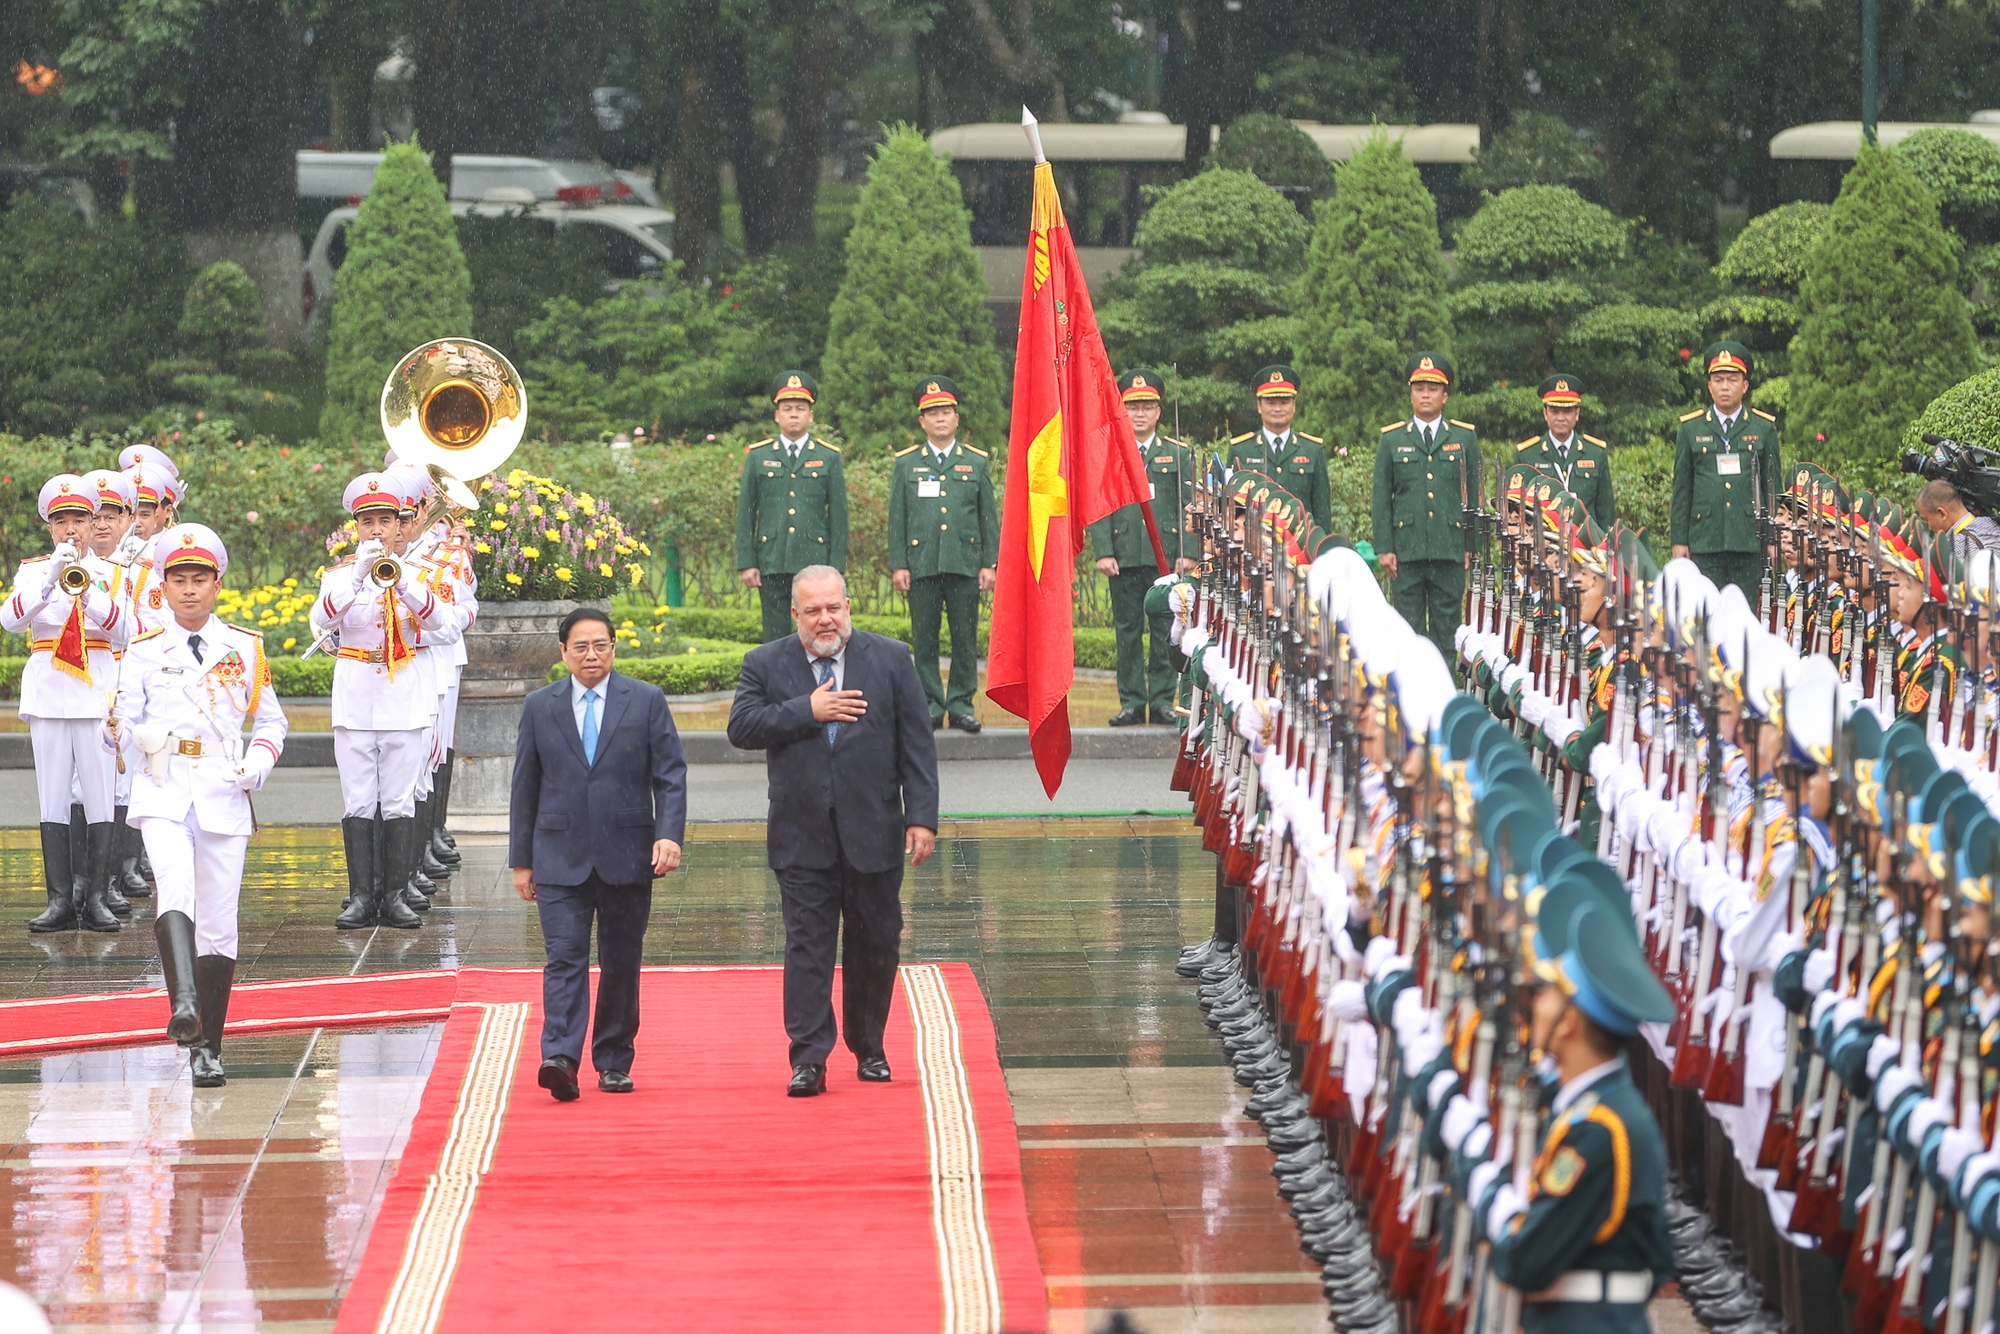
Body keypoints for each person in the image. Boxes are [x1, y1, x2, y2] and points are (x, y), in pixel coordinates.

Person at [726, 565, 939, 1096]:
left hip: (875, 829)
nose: (826, 619)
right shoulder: (765, 662)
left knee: (876, 943)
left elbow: (917, 744)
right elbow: (741, 728)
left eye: (834, 607)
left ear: (849, 606)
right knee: (808, 947)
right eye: (814, 610)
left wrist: (922, 817)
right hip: (801, 835)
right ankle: (809, 1060)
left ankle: (870, 1048)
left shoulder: (890, 658)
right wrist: (808, 709)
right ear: (794, 614)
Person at [1448, 898, 1677, 1334]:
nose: (1536, 1002)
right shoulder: (1591, 1109)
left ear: (1570, 1022)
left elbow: (1524, 1258)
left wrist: (1487, 1186)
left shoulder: (1599, 1128)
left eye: (1548, 991)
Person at [112, 523, 286, 1087]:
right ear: (161, 586)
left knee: (219, 922)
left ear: (217, 584)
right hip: (162, 785)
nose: (189, 589)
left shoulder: (243, 646)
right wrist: (123, 735)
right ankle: (183, 1004)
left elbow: (272, 722)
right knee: (174, 885)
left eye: (200, 579)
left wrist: (257, 764)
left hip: (222, 787)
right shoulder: (141, 651)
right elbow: (120, 725)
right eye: (178, 579)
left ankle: (208, 1045)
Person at [510, 607, 687, 1101]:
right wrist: (521, 860)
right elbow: (525, 786)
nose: (593, 655)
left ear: (613, 647)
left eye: (602, 645)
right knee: (563, 958)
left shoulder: (646, 701)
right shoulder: (540, 706)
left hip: (629, 855)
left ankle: (613, 1060)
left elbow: (670, 775)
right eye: (582, 647)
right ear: (563, 652)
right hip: (558, 855)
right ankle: (560, 1059)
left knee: (621, 961)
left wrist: (669, 835)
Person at [310, 472, 454, 931]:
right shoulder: (338, 576)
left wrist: (406, 587)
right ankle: (360, 895)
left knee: (397, 800)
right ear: (356, 527)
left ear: (399, 526)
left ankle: (394, 895)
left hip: (402, 696)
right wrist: (356, 577)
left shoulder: (421, 575)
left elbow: (447, 628)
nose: (376, 530)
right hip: (354, 695)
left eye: (384, 521)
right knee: (357, 800)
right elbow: (321, 619)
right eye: (367, 521)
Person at [5, 476, 129, 933]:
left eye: (79, 519)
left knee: (100, 799)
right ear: (50, 528)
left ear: (92, 521)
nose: (71, 530)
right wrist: (48, 580)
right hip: (49, 694)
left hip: (97, 694)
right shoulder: (32, 570)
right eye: (61, 522)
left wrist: (88, 590)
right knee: (52, 800)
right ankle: (59, 900)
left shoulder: (113, 572)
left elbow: (125, 631)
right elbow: (10, 621)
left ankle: (95, 897)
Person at [887, 376, 997, 732]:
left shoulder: (976, 463)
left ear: (956, 418)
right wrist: (899, 564)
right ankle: (931, 704)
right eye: (932, 413)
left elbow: (987, 517)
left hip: (964, 564)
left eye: (946, 412)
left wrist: (988, 563)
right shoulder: (907, 464)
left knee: (965, 639)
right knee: (925, 639)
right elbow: (897, 518)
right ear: (922, 422)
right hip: (922, 566)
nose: (940, 419)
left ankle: (962, 704)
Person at [1089, 369, 1198, 726]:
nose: (1140, 413)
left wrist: (1189, 548)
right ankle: (1133, 701)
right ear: (1122, 408)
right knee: (1127, 630)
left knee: (1167, 629)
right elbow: (1099, 500)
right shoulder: (1109, 451)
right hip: (1123, 555)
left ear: (1158, 412)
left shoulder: (1177, 455)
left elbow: (1190, 504)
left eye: (1147, 406)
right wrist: (1103, 549)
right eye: (1132, 406)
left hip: (1166, 556)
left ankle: (1163, 698)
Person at [1372, 352, 1483, 668]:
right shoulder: (1392, 440)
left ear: (1444, 396)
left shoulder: (1464, 438)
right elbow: (1381, 498)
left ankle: (1445, 699)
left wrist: (1472, 546)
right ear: (1410, 393)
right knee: (1408, 630)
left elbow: (1473, 495)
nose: (1425, 394)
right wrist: (1385, 548)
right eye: (1419, 388)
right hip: (1405, 553)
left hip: (1450, 549)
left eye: (1433, 389)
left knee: (1447, 630)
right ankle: (1411, 701)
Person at [736, 371, 849, 643]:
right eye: (787, 409)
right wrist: (747, 562)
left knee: (816, 630)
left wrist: (836, 566)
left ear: (811, 415)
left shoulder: (828, 457)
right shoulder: (759, 456)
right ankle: (778, 687)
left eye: (801, 409)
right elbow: (746, 513)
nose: (794, 415)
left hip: (815, 559)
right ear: (777, 416)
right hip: (772, 558)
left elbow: (838, 517)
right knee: (774, 635)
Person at [1670, 341, 1781, 597]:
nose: (1724, 387)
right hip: (1705, 541)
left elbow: (1772, 488)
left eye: (1732, 380)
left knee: (1750, 615)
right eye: (1718, 380)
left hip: (1750, 540)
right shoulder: (1691, 429)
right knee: (1704, 615)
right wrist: (1679, 541)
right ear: (1709, 386)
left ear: (1745, 385)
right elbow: (1682, 489)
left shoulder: (1763, 428)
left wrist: (1774, 537)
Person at [1222, 365, 1331, 530]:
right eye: (1270, 402)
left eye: (1285, 402)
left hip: (1300, 545)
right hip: (1254, 543)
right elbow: (1231, 507)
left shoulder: (1312, 450)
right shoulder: (1241, 450)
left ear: (1294, 406)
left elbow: (1322, 510)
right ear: (1259, 406)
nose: (1278, 408)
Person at [1512, 375, 1615, 530]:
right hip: (1543, 544)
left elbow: (1605, 511)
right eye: (1554, 411)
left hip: (1585, 545)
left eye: (1567, 411)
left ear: (1577, 414)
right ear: (1545, 414)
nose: (1561, 418)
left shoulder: (1595, 453)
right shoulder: (1527, 455)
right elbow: (1518, 511)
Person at [1916, 477, 2000, 565]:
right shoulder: (1990, 522)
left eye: (1927, 519)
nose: (1929, 527)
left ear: (1942, 513)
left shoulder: (1954, 547)